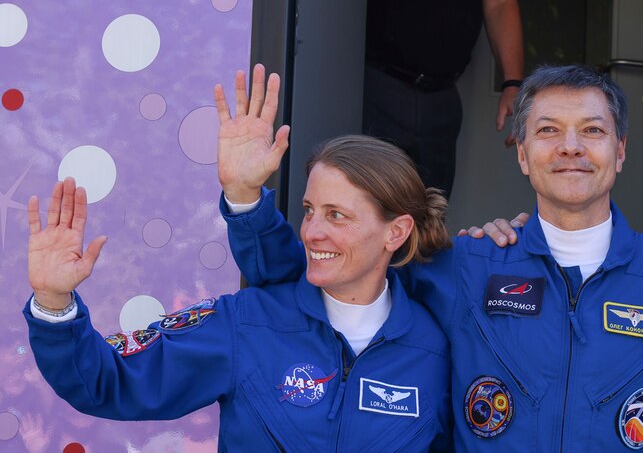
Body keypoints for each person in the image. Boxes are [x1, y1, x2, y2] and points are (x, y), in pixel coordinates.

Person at [219, 65, 643, 451]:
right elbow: (318, 274)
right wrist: (246, 202)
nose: (571, 147)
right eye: (547, 130)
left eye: (593, 130)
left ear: (621, 150)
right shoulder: (464, 266)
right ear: (521, 153)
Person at [25, 66, 453, 451]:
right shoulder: (246, 323)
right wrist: (52, 302)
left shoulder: (435, 349)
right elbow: (107, 382)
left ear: (395, 232)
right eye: (309, 211)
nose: (312, 231)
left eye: (337, 215)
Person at [362, 0, 525, 196]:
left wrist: (512, 83)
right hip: (377, 87)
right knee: (371, 211)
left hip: (443, 98)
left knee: (429, 222)